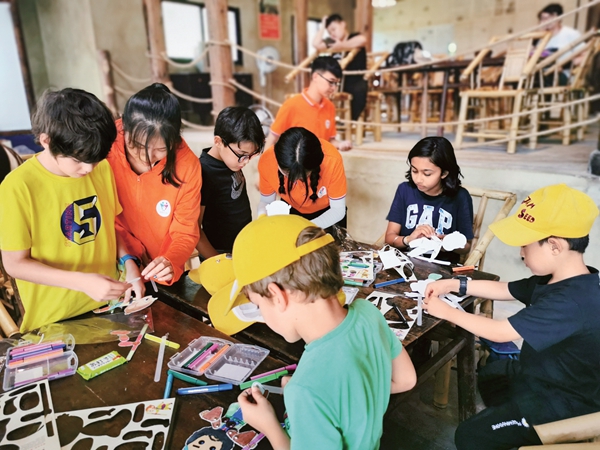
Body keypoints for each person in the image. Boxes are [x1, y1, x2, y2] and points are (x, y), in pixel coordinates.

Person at [210, 214, 416, 450]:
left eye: (258, 306)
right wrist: (333, 401)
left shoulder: (305, 390)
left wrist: (269, 425)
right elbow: (406, 380)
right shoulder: (368, 312)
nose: (262, 316)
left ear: (277, 296)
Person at [424, 184, 600, 450]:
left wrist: (447, 311)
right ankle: (510, 423)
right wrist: (454, 285)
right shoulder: (562, 278)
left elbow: (500, 332)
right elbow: (503, 288)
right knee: (493, 372)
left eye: (525, 244)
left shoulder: (572, 301)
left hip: (564, 402)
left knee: (469, 436)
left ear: (554, 246)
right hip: (542, 376)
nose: (520, 252)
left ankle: (518, 428)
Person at [0, 88, 144, 333]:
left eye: (96, 159)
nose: (88, 169)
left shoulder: (101, 169)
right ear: (46, 141)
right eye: (78, 160)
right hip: (54, 320)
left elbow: (108, 227)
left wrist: (128, 263)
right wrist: (82, 282)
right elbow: (15, 264)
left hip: (109, 307)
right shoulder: (17, 187)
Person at [107, 83, 202, 285]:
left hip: (157, 271)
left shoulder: (187, 166)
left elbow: (185, 231)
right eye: (138, 146)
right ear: (124, 127)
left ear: (174, 141)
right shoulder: (105, 144)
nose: (147, 159)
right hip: (109, 263)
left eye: (160, 149)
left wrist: (170, 261)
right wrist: (127, 259)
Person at [384, 136, 474, 264]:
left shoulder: (460, 197)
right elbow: (389, 238)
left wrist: (447, 243)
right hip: (406, 263)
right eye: (414, 171)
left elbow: (466, 247)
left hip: (443, 268)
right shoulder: (405, 190)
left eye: (427, 174)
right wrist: (409, 239)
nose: (418, 179)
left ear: (444, 173)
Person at [196, 106, 264, 259]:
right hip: (220, 254)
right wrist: (218, 262)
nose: (245, 162)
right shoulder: (204, 172)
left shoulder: (231, 161)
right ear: (218, 141)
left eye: (251, 155)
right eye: (242, 155)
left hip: (242, 245)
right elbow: (195, 229)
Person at [258, 127, 347, 232]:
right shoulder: (267, 161)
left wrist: (305, 228)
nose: (294, 181)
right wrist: (262, 218)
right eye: (287, 174)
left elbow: (337, 210)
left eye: (301, 176)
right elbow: (266, 202)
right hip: (291, 211)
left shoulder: (332, 160)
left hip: (328, 215)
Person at [265, 56, 352, 152]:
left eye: (336, 84)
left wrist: (340, 144)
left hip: (320, 163)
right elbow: (273, 138)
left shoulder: (330, 107)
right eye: (331, 82)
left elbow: (329, 140)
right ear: (315, 77)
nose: (334, 88)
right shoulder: (291, 105)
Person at [313, 14, 368, 121]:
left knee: (359, 90)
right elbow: (316, 44)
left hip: (355, 80)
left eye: (334, 29)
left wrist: (342, 46)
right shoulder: (332, 42)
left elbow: (362, 40)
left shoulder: (354, 36)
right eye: (329, 32)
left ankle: (351, 121)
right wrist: (322, 27)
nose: (332, 34)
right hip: (337, 81)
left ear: (343, 24)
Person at [538, 3, 583, 84]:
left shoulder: (570, 34)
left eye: (548, 18)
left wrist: (566, 65)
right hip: (543, 74)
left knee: (546, 77)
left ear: (558, 18)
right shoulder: (541, 38)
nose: (545, 22)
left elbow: (585, 56)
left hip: (564, 75)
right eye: (542, 19)